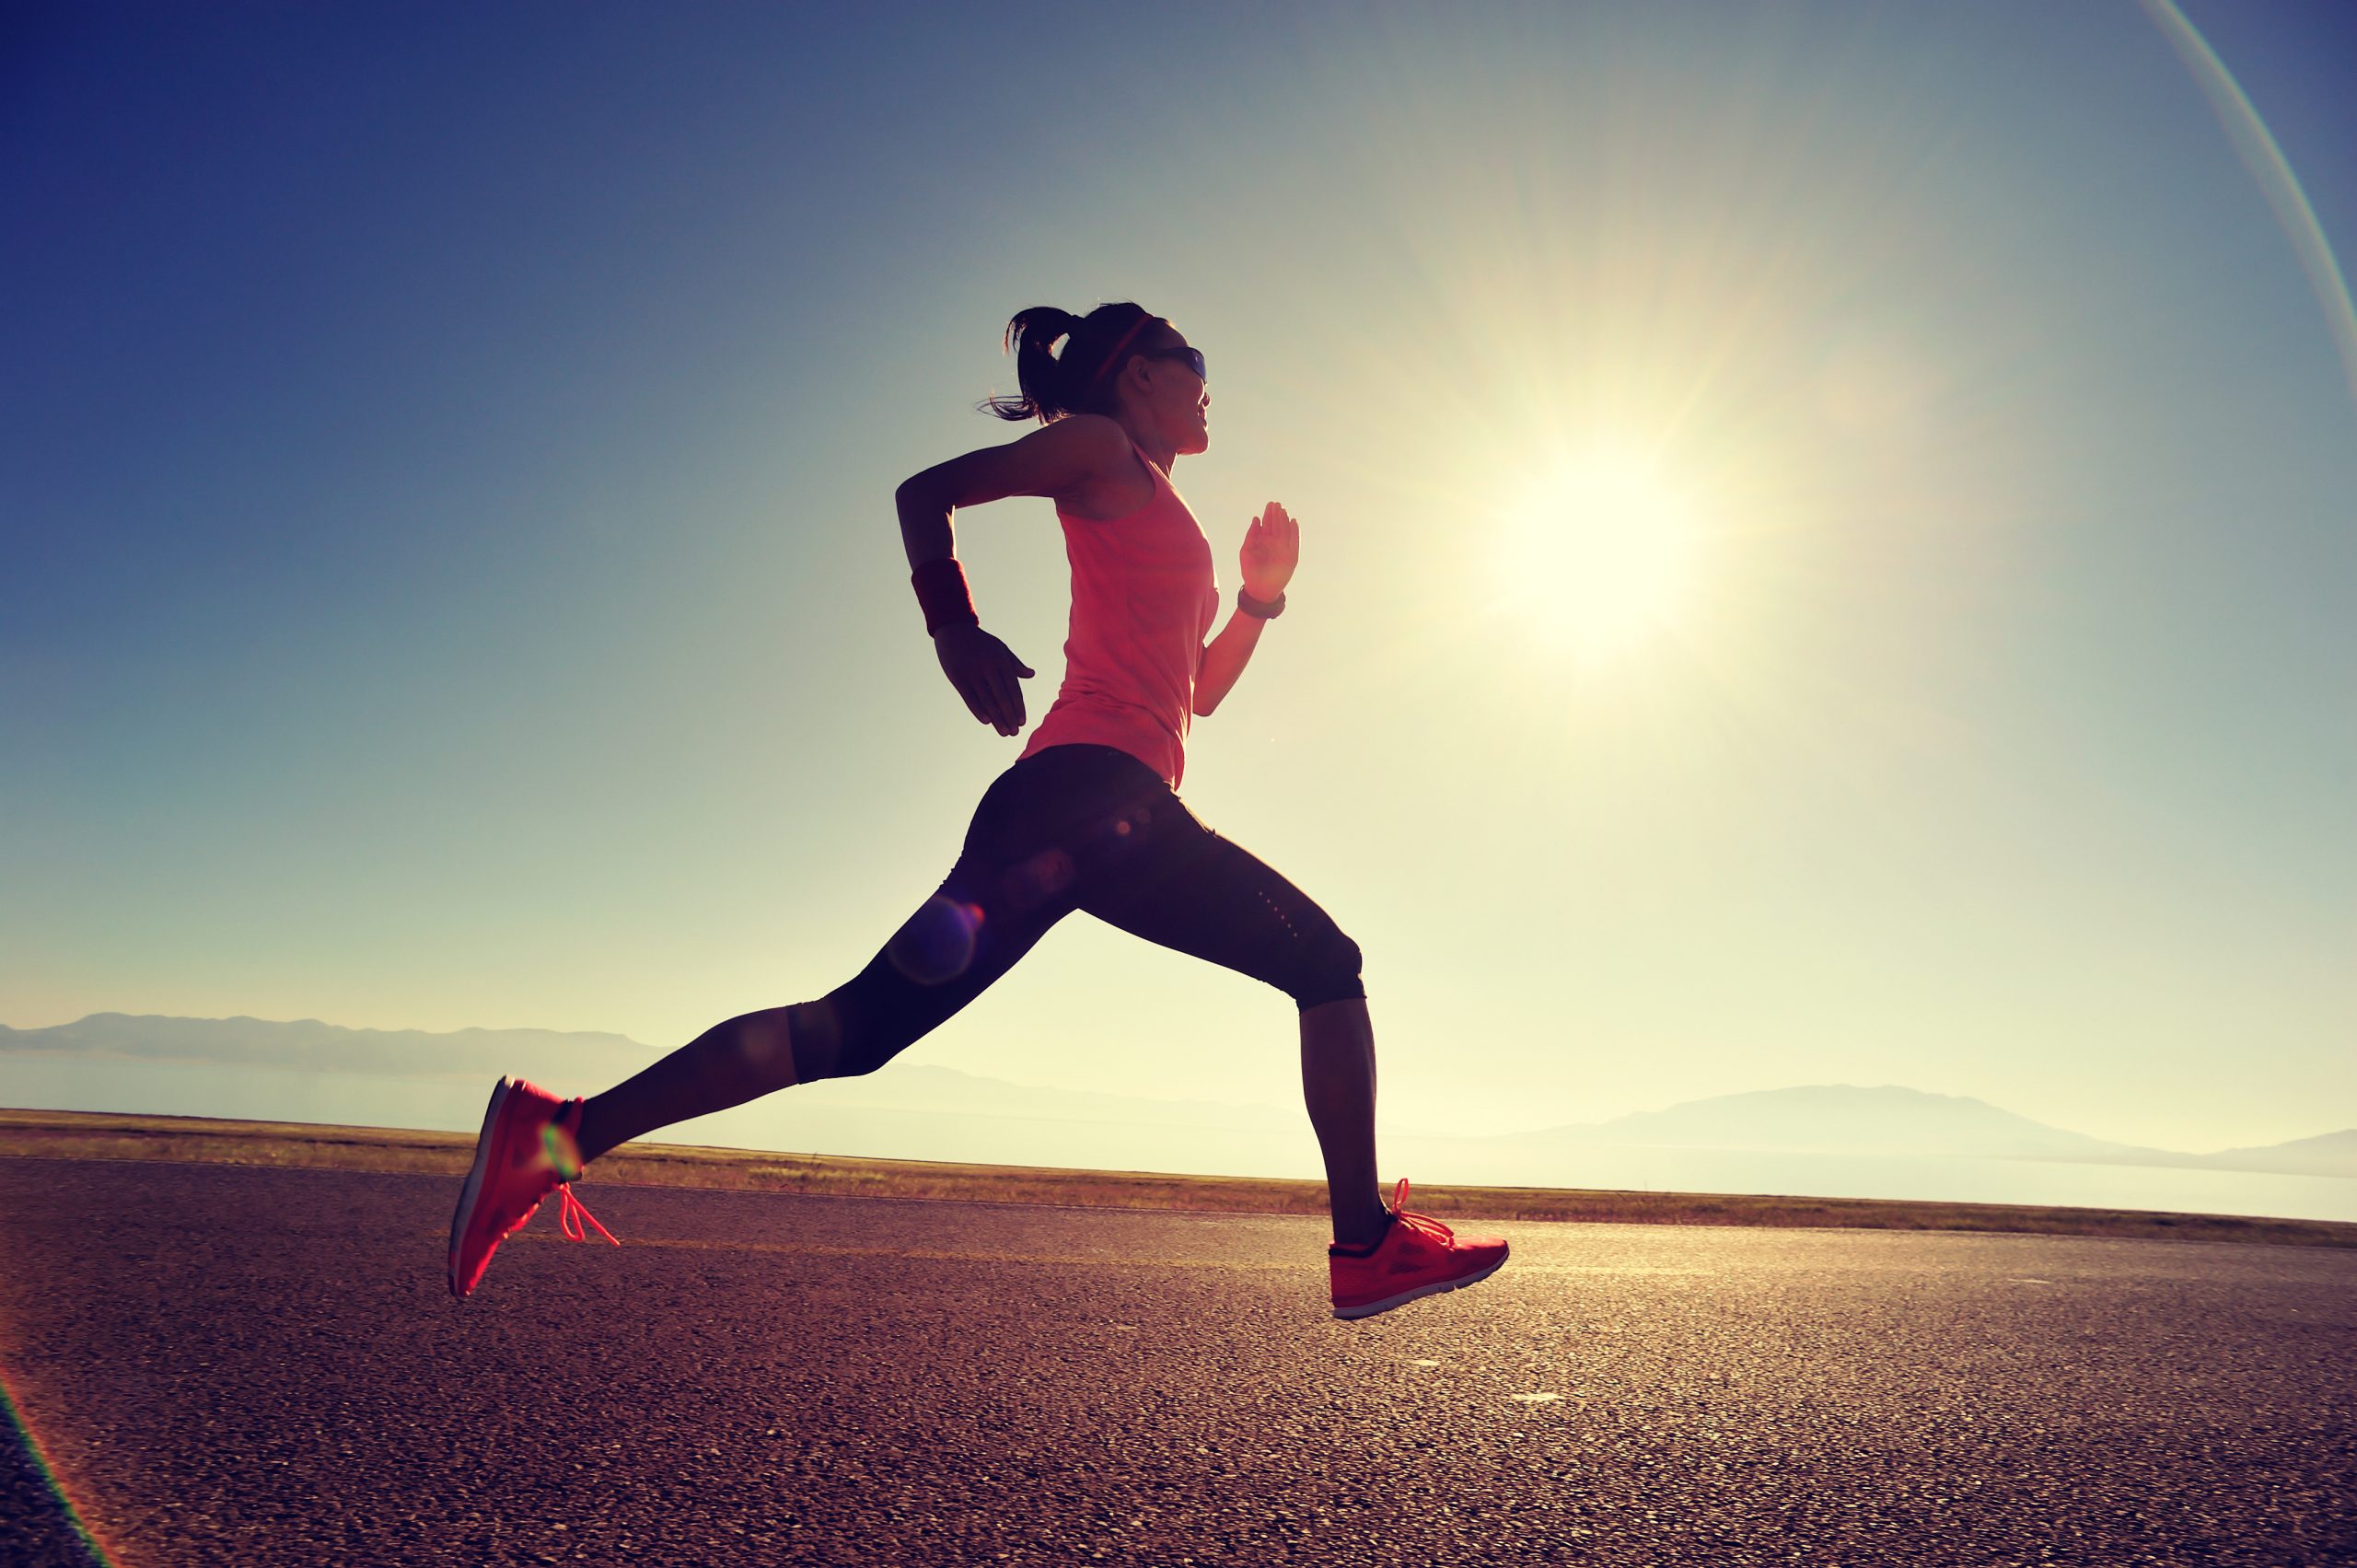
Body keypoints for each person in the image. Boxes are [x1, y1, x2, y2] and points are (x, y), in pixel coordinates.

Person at [447, 302, 1508, 1320]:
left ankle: (559, 1133)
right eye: (1195, 362)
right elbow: (926, 493)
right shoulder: (1099, 447)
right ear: (1139, 370)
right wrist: (951, 626)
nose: (1209, 389)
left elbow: (1198, 693)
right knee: (1324, 961)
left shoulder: (1156, 502)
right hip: (1095, 796)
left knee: (856, 1029)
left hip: (1070, 806)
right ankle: (1364, 1242)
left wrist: (1258, 600)